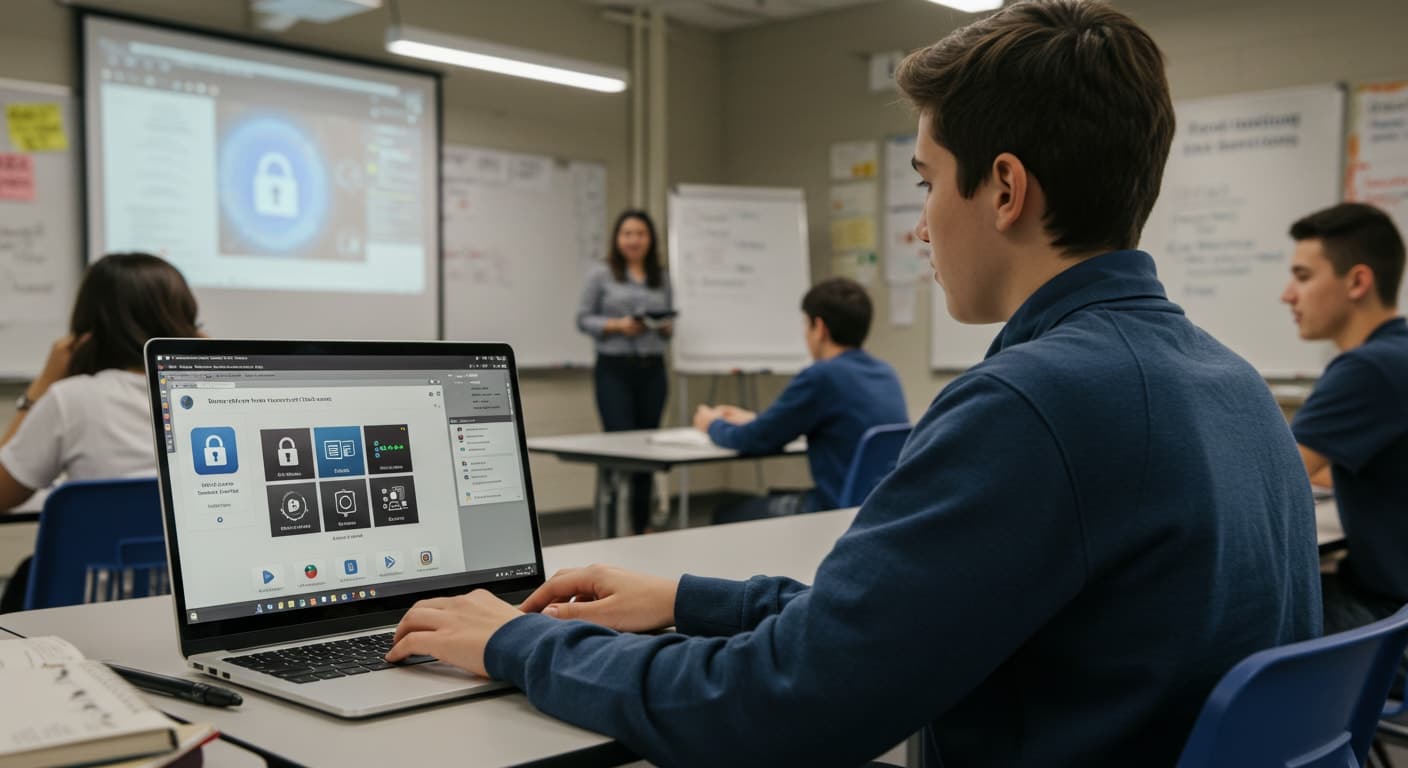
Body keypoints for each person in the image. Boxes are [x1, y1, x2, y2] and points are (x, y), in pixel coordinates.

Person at [386, 3, 1321, 765]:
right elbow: (903, 624)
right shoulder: (1229, 381)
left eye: (925, 182)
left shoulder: (1036, 404)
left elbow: (777, 709)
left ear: (1004, 190)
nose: (920, 225)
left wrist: (517, 641)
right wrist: (688, 600)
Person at [0, 252, 200, 611]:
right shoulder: (212, 397)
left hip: (92, 607)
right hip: (192, 600)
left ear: (89, 326)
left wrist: (40, 388)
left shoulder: (70, 399)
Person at [1281, 202, 1408, 635]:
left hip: (1390, 618)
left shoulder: (1367, 368)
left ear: (1357, 282)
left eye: (1302, 277)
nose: (1287, 295)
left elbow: (1270, 480)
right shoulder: (1398, 353)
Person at [693, 277, 906, 522]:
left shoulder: (822, 376)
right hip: (879, 509)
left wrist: (711, 424)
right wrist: (754, 419)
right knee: (773, 497)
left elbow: (755, 439)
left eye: (806, 324)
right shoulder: (885, 373)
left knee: (725, 514)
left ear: (819, 328)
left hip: (832, 510)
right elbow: (826, 423)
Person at [576, 209, 673, 535]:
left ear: (650, 239)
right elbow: (583, 319)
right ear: (617, 238)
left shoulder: (661, 277)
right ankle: (612, 527)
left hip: (652, 369)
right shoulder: (601, 274)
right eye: (627, 233)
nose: (634, 240)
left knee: (646, 449)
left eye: (640, 233)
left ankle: (641, 526)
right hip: (614, 370)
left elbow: (670, 324)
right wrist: (617, 325)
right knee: (619, 449)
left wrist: (664, 326)